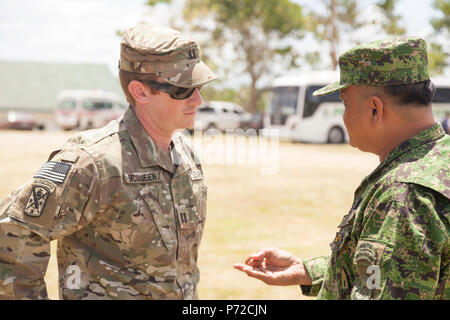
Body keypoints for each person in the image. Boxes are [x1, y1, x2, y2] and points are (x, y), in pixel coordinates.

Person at [0, 24, 217, 300]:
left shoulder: (186, 156)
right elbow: (14, 233)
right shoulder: (92, 162)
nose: (198, 99)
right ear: (140, 92)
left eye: (197, 86)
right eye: (182, 90)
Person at [234, 36, 449, 300]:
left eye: (345, 104)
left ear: (374, 110)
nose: (344, 116)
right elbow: (388, 273)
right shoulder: (440, 160)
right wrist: (307, 270)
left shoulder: (402, 195)